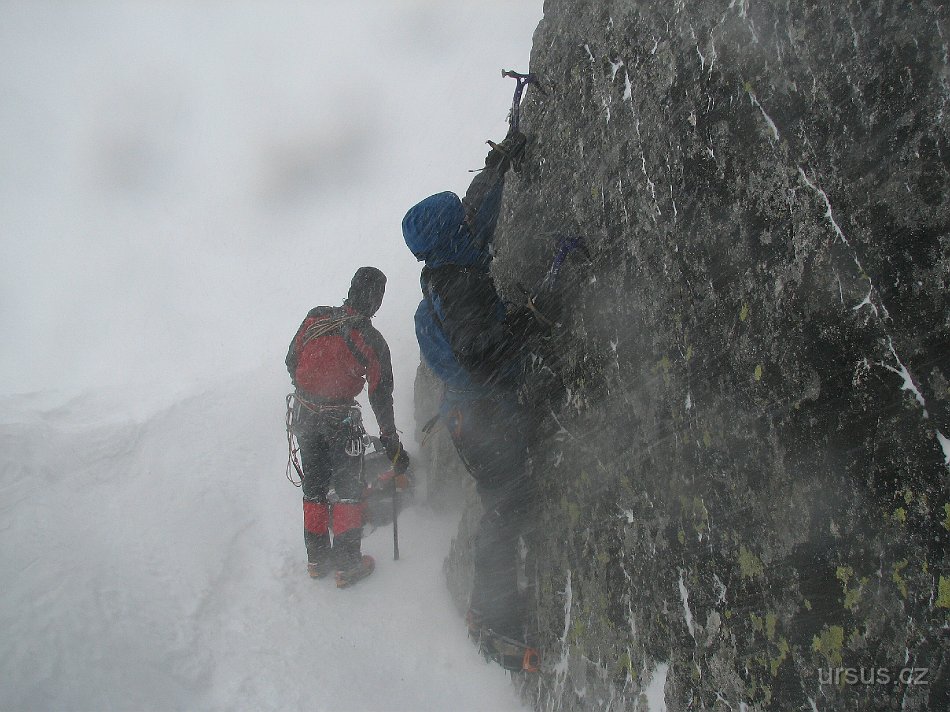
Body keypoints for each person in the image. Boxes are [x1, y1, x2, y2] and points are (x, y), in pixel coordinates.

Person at [402, 131, 544, 669]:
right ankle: (493, 621)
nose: (468, 219)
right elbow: (481, 355)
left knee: (507, 503)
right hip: (483, 418)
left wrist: (498, 164)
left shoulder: (445, 269)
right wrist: (528, 326)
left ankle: (488, 614)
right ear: (446, 233)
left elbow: (477, 212)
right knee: (508, 508)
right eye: (458, 218)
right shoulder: (460, 286)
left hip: (471, 416)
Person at [285, 266, 410, 587]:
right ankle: (348, 564)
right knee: (348, 492)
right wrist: (390, 441)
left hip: (304, 414)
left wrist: (313, 390)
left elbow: (291, 360)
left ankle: (317, 560)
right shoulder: (369, 339)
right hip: (339, 423)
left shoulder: (317, 318)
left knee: (314, 485)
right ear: (377, 300)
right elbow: (381, 394)